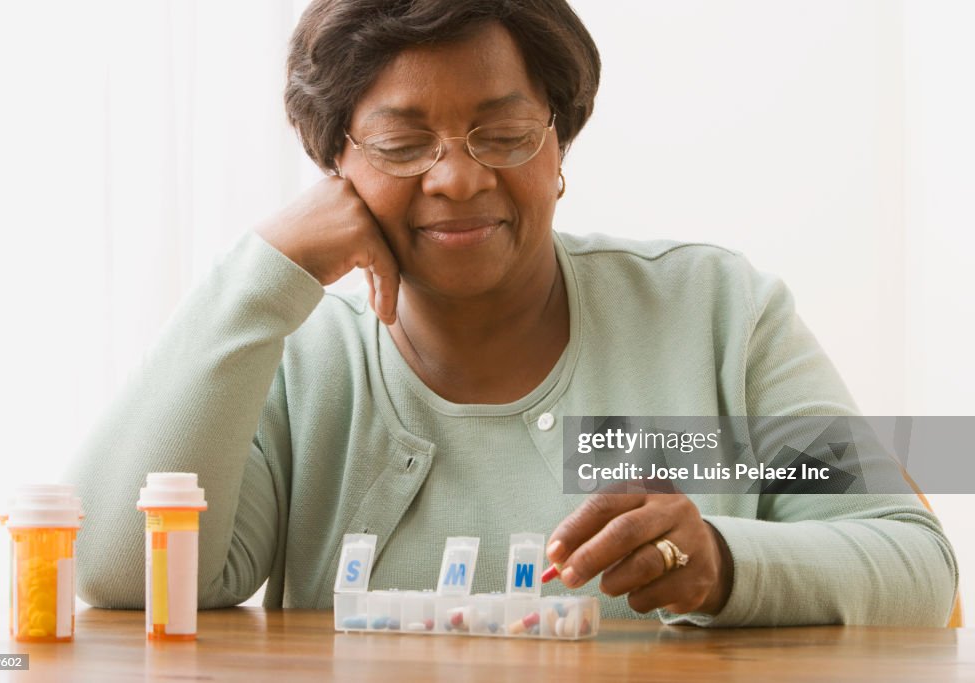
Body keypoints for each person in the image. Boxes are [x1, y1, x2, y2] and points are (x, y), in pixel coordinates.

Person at [67, 0, 957, 626]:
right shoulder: (297, 358)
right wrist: (265, 271)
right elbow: (118, 572)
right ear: (336, 165)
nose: (457, 177)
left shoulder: (717, 314)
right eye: (402, 143)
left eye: (503, 133)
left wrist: (723, 563)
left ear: (560, 143)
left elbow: (914, 560)